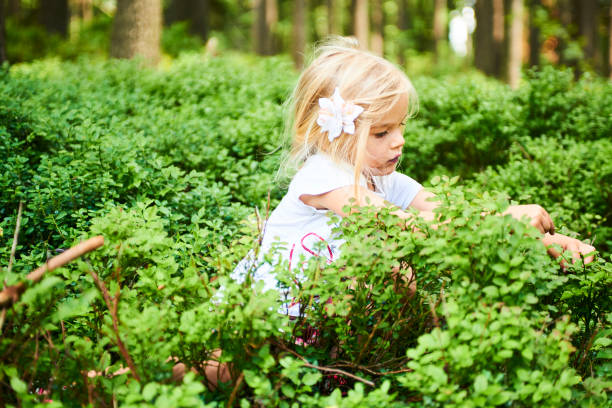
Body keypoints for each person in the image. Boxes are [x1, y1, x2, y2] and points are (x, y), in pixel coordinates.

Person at [232, 38, 595, 309]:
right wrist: (506, 224)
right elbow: (406, 227)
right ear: (329, 132)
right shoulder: (324, 179)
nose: (399, 142)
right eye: (381, 132)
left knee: (396, 274)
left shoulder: (385, 180)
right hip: (266, 315)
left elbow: (450, 217)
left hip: (321, 321)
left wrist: (540, 242)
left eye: (401, 127)